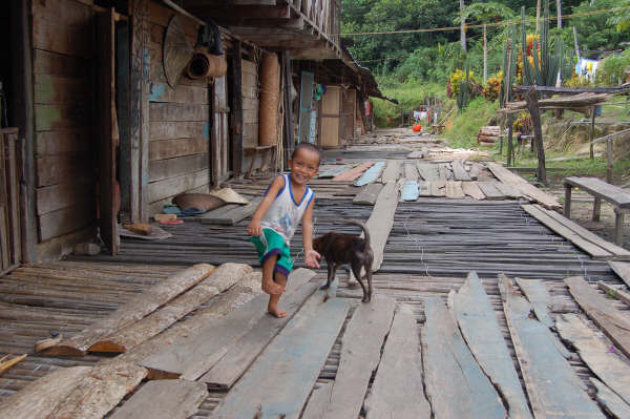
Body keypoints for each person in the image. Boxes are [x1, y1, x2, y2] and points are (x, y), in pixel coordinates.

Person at [246, 143, 322, 317]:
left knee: (284, 270)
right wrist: (256, 219)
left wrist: (309, 249)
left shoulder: (310, 196)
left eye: (309, 167)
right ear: (290, 163)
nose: (303, 170)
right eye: (299, 164)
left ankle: (272, 305)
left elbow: (307, 223)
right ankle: (266, 281)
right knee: (277, 241)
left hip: (282, 240)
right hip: (264, 231)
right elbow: (267, 199)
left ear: (315, 172)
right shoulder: (282, 181)